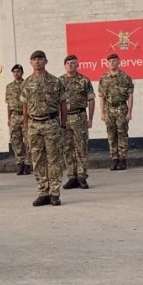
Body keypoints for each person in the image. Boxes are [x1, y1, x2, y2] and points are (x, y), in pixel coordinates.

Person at [21, 50, 68, 206]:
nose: (37, 62)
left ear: (46, 61)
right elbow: (25, 107)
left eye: (40, 59)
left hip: (51, 123)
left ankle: (54, 192)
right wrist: (26, 127)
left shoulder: (56, 82)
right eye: (34, 59)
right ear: (30, 62)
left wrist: (63, 124)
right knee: (37, 160)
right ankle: (43, 192)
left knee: (54, 159)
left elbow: (63, 105)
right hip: (34, 125)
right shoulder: (26, 83)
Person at [60, 54, 95, 189]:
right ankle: (72, 176)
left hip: (79, 116)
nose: (70, 65)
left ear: (78, 65)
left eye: (73, 63)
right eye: (68, 63)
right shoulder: (59, 81)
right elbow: (55, 102)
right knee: (67, 148)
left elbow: (91, 100)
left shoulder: (84, 80)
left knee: (81, 147)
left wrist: (90, 118)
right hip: (65, 118)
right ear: (65, 65)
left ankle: (82, 176)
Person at [98, 53, 134, 170]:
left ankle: (122, 159)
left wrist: (129, 112)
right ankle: (114, 158)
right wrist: (102, 112)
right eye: (110, 61)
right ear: (107, 63)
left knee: (122, 133)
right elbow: (101, 96)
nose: (112, 63)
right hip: (108, 109)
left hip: (121, 108)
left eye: (114, 61)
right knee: (111, 134)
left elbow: (130, 95)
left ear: (119, 62)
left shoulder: (125, 77)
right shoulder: (103, 78)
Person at [5, 63, 31, 175]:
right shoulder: (9, 87)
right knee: (16, 140)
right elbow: (8, 104)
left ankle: (28, 163)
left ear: (22, 73)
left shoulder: (27, 85)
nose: (16, 74)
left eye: (18, 71)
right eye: (14, 72)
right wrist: (9, 118)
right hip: (15, 116)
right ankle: (20, 162)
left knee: (28, 140)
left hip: (26, 115)